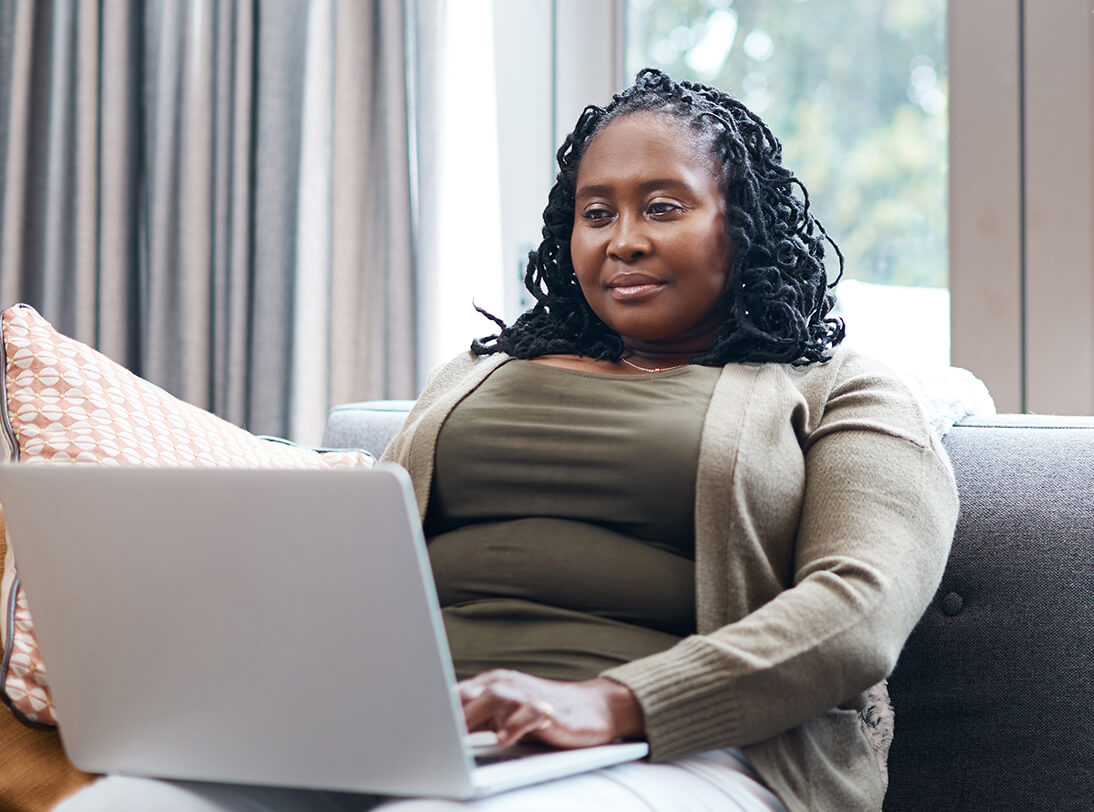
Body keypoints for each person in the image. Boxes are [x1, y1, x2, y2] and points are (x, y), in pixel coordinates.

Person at [56, 69, 958, 812]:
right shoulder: (477, 373)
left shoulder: (844, 391)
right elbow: (365, 561)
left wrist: (612, 703)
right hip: (401, 735)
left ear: (742, 227)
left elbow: (858, 614)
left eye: (663, 206)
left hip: (690, 753)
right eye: (596, 212)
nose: (624, 241)